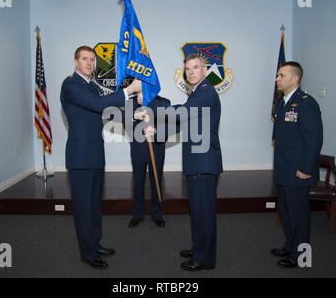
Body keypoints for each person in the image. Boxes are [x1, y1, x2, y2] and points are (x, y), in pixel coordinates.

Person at [60, 45, 141, 270]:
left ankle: (95, 244)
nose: (89, 63)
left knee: (95, 206)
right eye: (84, 59)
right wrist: (129, 89)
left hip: (95, 155)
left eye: (92, 60)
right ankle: (87, 254)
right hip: (80, 157)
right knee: (84, 207)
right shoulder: (71, 85)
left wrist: (135, 113)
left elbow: (109, 111)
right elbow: (98, 105)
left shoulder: (92, 86)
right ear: (76, 62)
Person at [140, 54, 223, 271]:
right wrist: (157, 130)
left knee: (203, 214)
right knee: (197, 212)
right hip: (198, 162)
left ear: (204, 70)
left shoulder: (205, 92)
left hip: (203, 163)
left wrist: (150, 109)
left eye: (195, 68)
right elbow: (183, 122)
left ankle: (205, 259)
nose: (191, 72)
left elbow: (182, 112)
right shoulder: (196, 94)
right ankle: (199, 249)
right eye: (187, 69)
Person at [271, 61, 323, 268]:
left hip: (298, 171)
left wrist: (306, 169)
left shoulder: (306, 103)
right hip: (283, 168)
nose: (277, 79)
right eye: (277, 75)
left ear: (295, 79)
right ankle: (290, 245)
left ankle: (301, 257)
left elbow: (314, 139)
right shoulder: (283, 102)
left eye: (281, 75)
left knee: (299, 215)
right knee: (286, 211)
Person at [127, 95, 171, 228]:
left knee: (156, 181)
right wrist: (140, 129)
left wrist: (156, 131)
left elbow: (168, 126)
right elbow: (127, 125)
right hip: (138, 149)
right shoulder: (130, 103)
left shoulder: (163, 102)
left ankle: (157, 214)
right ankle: (137, 214)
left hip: (157, 148)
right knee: (138, 182)